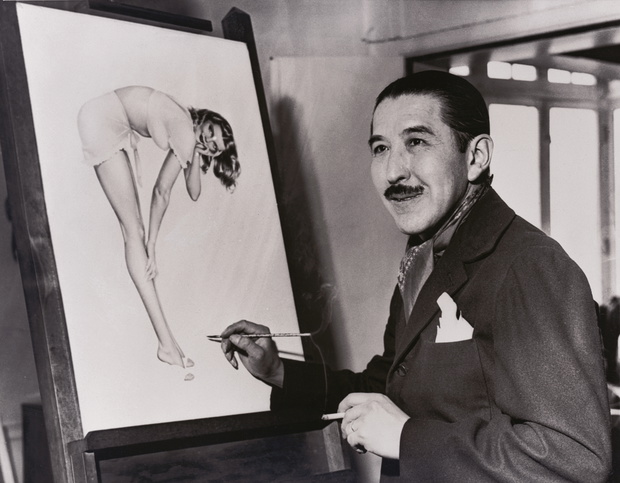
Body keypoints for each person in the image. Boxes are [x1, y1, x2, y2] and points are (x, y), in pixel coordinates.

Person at [217, 71, 611, 481]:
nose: (392, 172)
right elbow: (390, 387)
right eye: (381, 148)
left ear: (476, 157)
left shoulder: (530, 266)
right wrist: (278, 371)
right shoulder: (424, 256)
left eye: (417, 142)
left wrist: (406, 438)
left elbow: (572, 457)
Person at [77, 85, 240, 369]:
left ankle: (169, 344)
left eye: (214, 146)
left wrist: (199, 152)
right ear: (206, 119)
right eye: (210, 131)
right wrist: (152, 245)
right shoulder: (184, 128)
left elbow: (193, 191)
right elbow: (161, 192)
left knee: (133, 232)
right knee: (135, 234)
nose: (208, 140)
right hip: (102, 121)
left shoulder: (186, 130)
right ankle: (166, 344)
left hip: (103, 118)